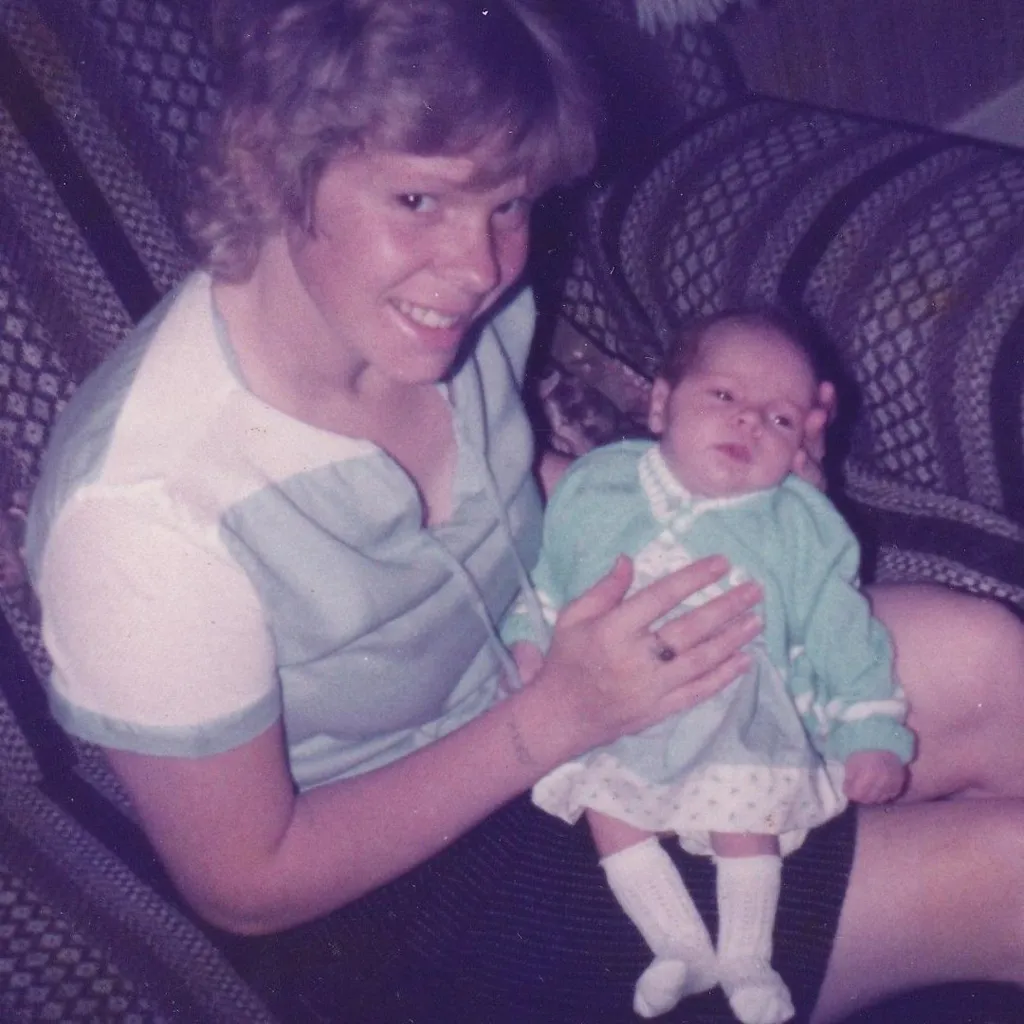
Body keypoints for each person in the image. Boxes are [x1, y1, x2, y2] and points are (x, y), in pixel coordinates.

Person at [21, 0, 1024, 1022]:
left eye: (507, 205)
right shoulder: (144, 516)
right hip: (399, 891)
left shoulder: (448, 315)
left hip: (563, 687)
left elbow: (527, 486)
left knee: (986, 656)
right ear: (272, 162)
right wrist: (553, 719)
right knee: (1007, 880)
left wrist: (732, 505)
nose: (477, 266)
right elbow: (246, 885)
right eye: (418, 199)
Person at [503, 310, 914, 1023]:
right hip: (606, 699)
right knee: (607, 803)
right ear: (661, 404)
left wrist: (871, 734)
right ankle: (677, 945)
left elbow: (845, 633)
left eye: (781, 419)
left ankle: (747, 958)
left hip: (737, 696)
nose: (750, 423)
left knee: (746, 804)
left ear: (799, 449)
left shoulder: (803, 526)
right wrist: (530, 642)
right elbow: (549, 576)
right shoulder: (599, 484)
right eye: (723, 397)